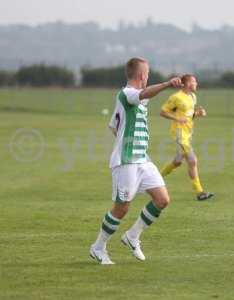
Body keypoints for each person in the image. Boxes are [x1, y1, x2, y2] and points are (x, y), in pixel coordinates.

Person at [89, 57, 183, 265]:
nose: (148, 76)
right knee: (121, 208)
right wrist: (167, 84)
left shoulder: (137, 99)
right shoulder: (127, 94)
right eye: (147, 73)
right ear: (142, 75)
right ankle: (97, 248)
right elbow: (142, 94)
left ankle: (132, 236)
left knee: (162, 199)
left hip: (142, 160)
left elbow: (113, 125)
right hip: (126, 161)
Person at [160, 74, 214, 201]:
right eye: (194, 81)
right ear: (187, 83)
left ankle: (156, 177)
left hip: (188, 133)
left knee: (177, 162)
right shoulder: (176, 97)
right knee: (192, 160)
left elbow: (189, 115)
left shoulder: (192, 97)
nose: (196, 84)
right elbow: (163, 112)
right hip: (179, 134)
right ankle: (200, 192)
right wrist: (177, 118)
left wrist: (197, 114)